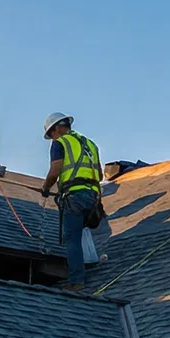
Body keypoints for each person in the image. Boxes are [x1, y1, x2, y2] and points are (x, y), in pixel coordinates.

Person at [39, 112, 102, 289]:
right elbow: (100, 174)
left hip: (74, 196)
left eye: (51, 134)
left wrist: (45, 188)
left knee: (72, 238)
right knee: (80, 233)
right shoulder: (90, 144)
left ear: (57, 128)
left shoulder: (60, 143)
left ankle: (76, 280)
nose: (52, 138)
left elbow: (55, 170)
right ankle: (83, 266)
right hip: (93, 198)